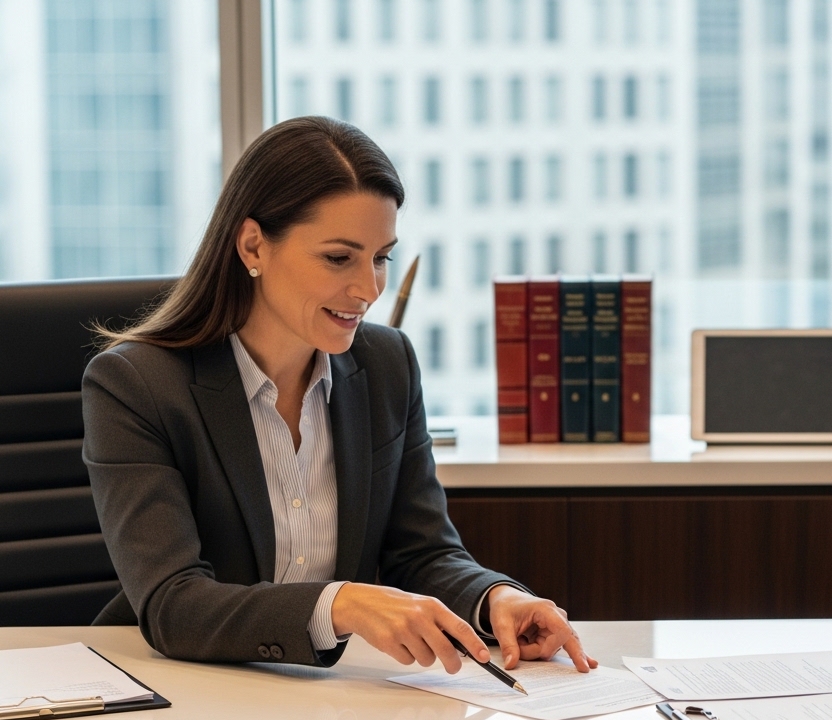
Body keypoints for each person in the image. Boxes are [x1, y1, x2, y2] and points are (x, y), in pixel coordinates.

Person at [83, 116, 596, 676]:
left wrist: (495, 598)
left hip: (329, 702)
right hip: (182, 693)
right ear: (254, 245)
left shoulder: (387, 365)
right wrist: (341, 603)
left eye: (380, 257)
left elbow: (421, 551)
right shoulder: (137, 385)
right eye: (338, 258)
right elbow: (173, 604)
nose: (369, 289)